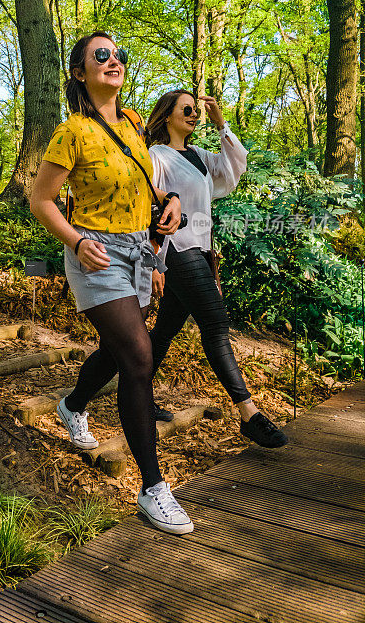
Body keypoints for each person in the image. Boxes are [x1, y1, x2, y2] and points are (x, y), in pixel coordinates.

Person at [30, 32, 195, 535]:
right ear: (80, 73)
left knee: (120, 350)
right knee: (140, 357)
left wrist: (170, 204)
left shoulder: (132, 125)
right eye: (100, 55)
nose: (113, 60)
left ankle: (72, 404)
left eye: (118, 54)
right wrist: (76, 242)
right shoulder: (71, 131)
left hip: (139, 251)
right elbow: (40, 201)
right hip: (96, 254)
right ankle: (152, 488)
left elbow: (143, 187)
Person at [147, 90, 288, 448]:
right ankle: (248, 413)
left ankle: (138, 396)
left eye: (196, 110)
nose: (194, 115)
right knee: (216, 324)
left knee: (165, 330)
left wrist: (221, 122)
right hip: (177, 249)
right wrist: (152, 261)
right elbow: (146, 205)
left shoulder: (197, 156)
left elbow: (234, 166)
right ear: (167, 116)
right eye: (187, 110)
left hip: (201, 250)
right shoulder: (156, 156)